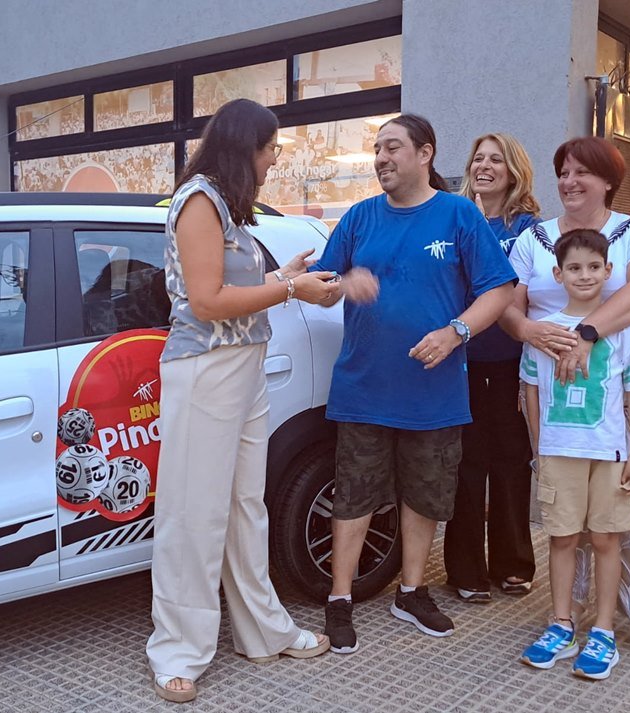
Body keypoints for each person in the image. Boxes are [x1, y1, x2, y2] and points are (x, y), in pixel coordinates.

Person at [146, 99, 336, 703]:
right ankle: (177, 651)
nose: (274, 159)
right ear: (244, 146)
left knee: (244, 508)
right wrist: (290, 288)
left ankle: (263, 630)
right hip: (205, 368)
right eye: (271, 148)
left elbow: (233, 289)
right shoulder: (199, 201)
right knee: (193, 513)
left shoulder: (226, 207)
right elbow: (206, 301)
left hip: (242, 367)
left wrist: (285, 275)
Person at [313, 114, 517, 654]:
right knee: (353, 495)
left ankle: (411, 591)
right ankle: (339, 598)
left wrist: (456, 332)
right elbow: (320, 285)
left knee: (426, 495)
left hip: (434, 390)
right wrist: (341, 284)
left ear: (425, 154)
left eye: (392, 147)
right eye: (377, 149)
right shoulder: (359, 217)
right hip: (363, 387)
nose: (380, 158)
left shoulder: (458, 214)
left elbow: (499, 289)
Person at [505, 136, 630, 667]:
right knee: (565, 518)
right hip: (553, 400)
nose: (570, 181)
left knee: (629, 508)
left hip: (616, 394)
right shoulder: (532, 238)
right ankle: (568, 614)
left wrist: (586, 334)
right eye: (563, 171)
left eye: (583, 171)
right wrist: (532, 331)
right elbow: (508, 305)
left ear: (608, 180)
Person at [519, 229, 630, 679]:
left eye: (594, 267)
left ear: (609, 270)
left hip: (610, 452)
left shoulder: (623, 328)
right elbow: (530, 389)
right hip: (559, 452)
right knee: (561, 538)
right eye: (574, 268)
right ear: (558, 274)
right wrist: (539, 448)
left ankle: (603, 631)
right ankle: (561, 624)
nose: (585, 275)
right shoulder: (543, 331)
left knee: (605, 539)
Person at [442, 133, 541, 602]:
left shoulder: (530, 229)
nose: (484, 166)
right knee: (465, 465)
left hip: (511, 365)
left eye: (496, 159)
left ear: (513, 170)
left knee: (511, 463)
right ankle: (465, 571)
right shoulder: (456, 218)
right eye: (478, 158)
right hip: (460, 362)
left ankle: (513, 564)